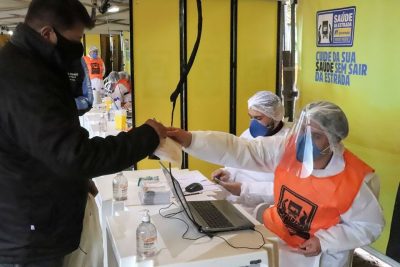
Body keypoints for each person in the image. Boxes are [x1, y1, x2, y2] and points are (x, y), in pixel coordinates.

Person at [0, 0, 166, 266]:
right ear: (47, 33)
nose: (78, 48)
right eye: (75, 40)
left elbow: (48, 145)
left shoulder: (29, 65)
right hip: (30, 234)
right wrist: (147, 136)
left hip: (34, 215)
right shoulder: (25, 79)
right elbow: (74, 156)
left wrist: (74, 182)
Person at [168, 101, 384, 267]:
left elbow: (368, 226)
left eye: (316, 136)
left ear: (333, 141)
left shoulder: (354, 180)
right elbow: (241, 149)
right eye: (303, 130)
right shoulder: (286, 149)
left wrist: (325, 241)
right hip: (275, 237)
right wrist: (189, 140)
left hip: (315, 255)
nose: (304, 140)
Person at [211, 91, 289, 217]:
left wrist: (244, 189)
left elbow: (284, 190)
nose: (253, 123)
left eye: (258, 118)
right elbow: (238, 159)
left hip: (258, 208)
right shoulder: (248, 134)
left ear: (275, 115)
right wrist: (227, 173)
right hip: (234, 200)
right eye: (251, 117)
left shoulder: (288, 142)